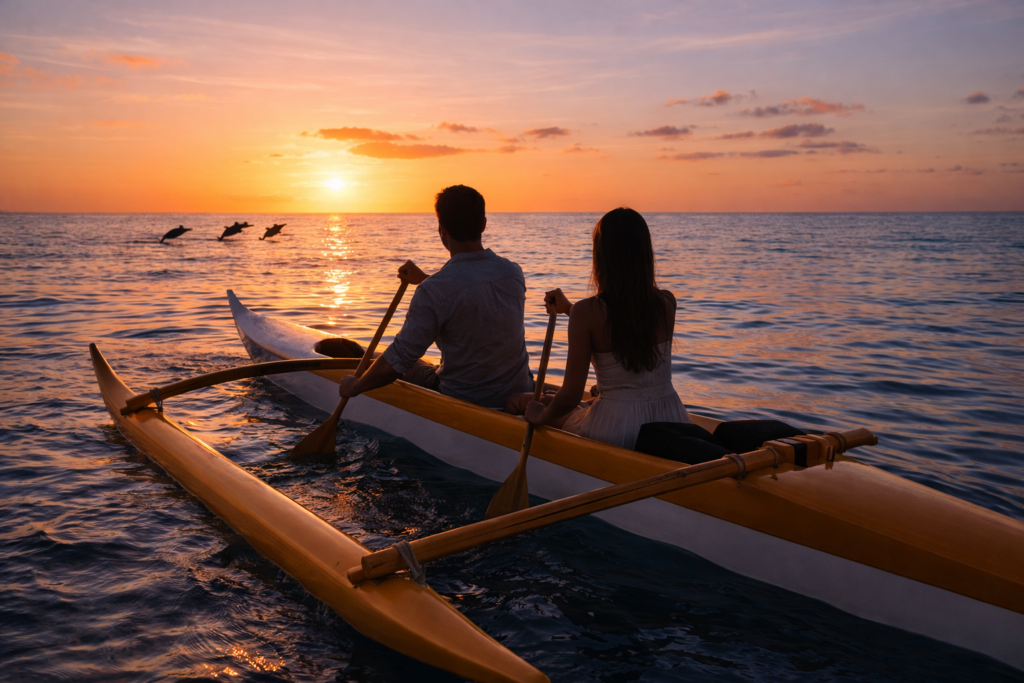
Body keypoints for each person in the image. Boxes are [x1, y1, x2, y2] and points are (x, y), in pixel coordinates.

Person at [507, 207, 691, 449]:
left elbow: (571, 395)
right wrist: (568, 309)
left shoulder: (587, 313)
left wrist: (541, 415)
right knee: (578, 402)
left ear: (602, 256)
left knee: (519, 401)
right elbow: (628, 327)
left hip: (614, 427)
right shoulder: (667, 302)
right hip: (670, 419)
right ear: (645, 253)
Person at [338, 185, 534, 409]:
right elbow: (468, 295)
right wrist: (424, 279)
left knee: (411, 367)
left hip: (464, 399)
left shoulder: (435, 290)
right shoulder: (513, 273)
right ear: (483, 224)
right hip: (519, 391)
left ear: (442, 229)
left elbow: (398, 360)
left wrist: (356, 386)